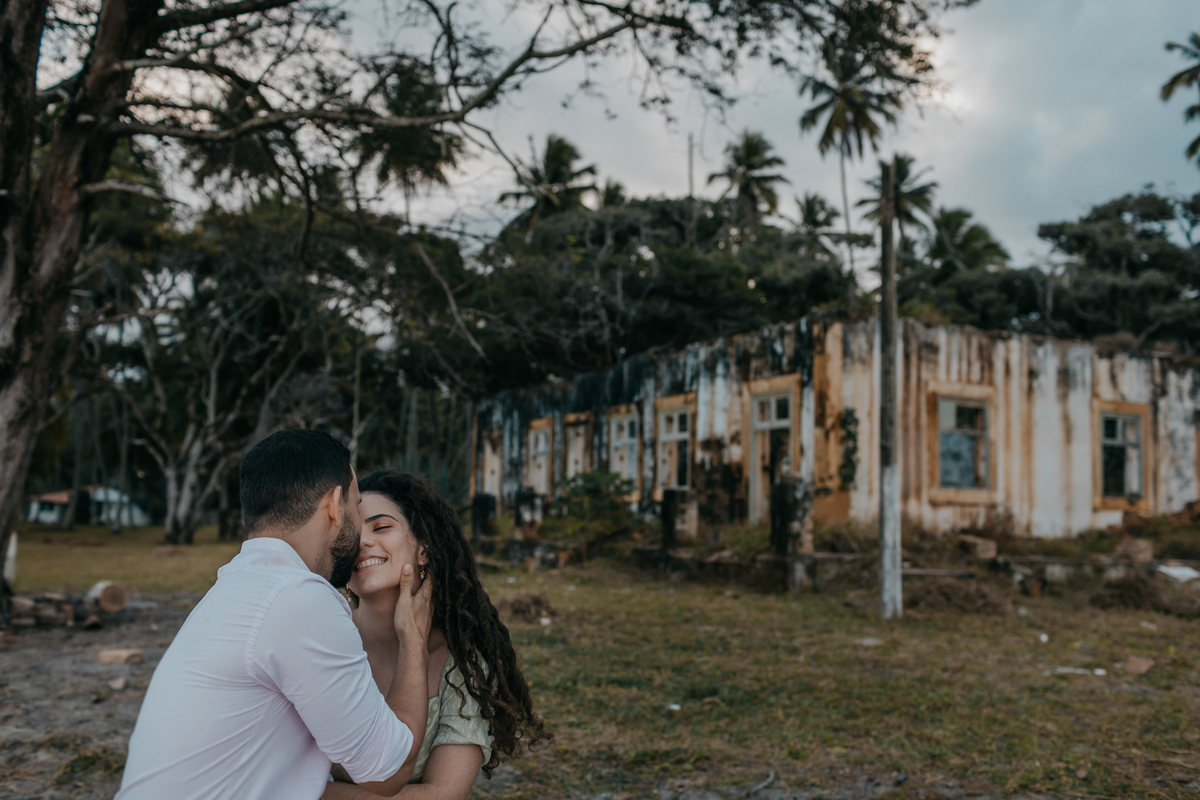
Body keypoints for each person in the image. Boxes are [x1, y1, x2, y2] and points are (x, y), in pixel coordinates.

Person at [117, 430, 433, 800]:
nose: (359, 530)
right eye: (355, 506)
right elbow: (388, 770)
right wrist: (413, 639)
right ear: (334, 505)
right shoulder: (298, 598)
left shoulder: (236, 588)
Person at [323, 470, 547, 800]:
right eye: (351, 532)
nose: (363, 541)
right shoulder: (321, 638)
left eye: (381, 527)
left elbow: (444, 793)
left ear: (423, 549)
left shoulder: (459, 665)